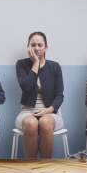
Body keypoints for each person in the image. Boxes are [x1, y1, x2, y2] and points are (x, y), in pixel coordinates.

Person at [15, 31, 64, 159]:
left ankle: (45, 166)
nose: (36, 48)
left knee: (45, 122)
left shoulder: (55, 67)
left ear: (46, 47)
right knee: (31, 124)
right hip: (27, 112)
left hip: (50, 112)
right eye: (33, 45)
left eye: (40, 45)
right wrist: (36, 63)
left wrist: (49, 110)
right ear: (28, 47)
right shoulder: (21, 64)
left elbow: (60, 95)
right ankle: (31, 166)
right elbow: (26, 87)